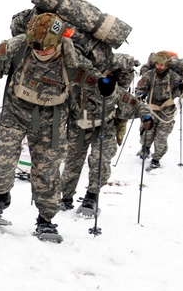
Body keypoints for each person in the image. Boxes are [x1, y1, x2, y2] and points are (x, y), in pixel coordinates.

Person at [0, 12, 109, 242]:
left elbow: (87, 75)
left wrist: (103, 83)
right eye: (36, 48)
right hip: (15, 112)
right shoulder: (19, 46)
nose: (40, 52)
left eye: (45, 49)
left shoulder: (69, 55)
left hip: (51, 120)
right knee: (2, 159)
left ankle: (46, 220)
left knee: (46, 173)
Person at [59, 53, 148, 214]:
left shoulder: (116, 91)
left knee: (100, 160)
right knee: (72, 163)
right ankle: (65, 198)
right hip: (78, 127)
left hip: (104, 128)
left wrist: (146, 116)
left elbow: (137, 104)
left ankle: (91, 197)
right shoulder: (80, 82)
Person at [136, 51, 183, 169]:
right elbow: (139, 88)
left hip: (167, 109)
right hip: (151, 106)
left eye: (161, 65)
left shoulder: (174, 77)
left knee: (161, 136)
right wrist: (141, 94)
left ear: (166, 64)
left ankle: (156, 158)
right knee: (147, 130)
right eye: (157, 64)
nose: (159, 67)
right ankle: (145, 148)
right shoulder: (149, 75)